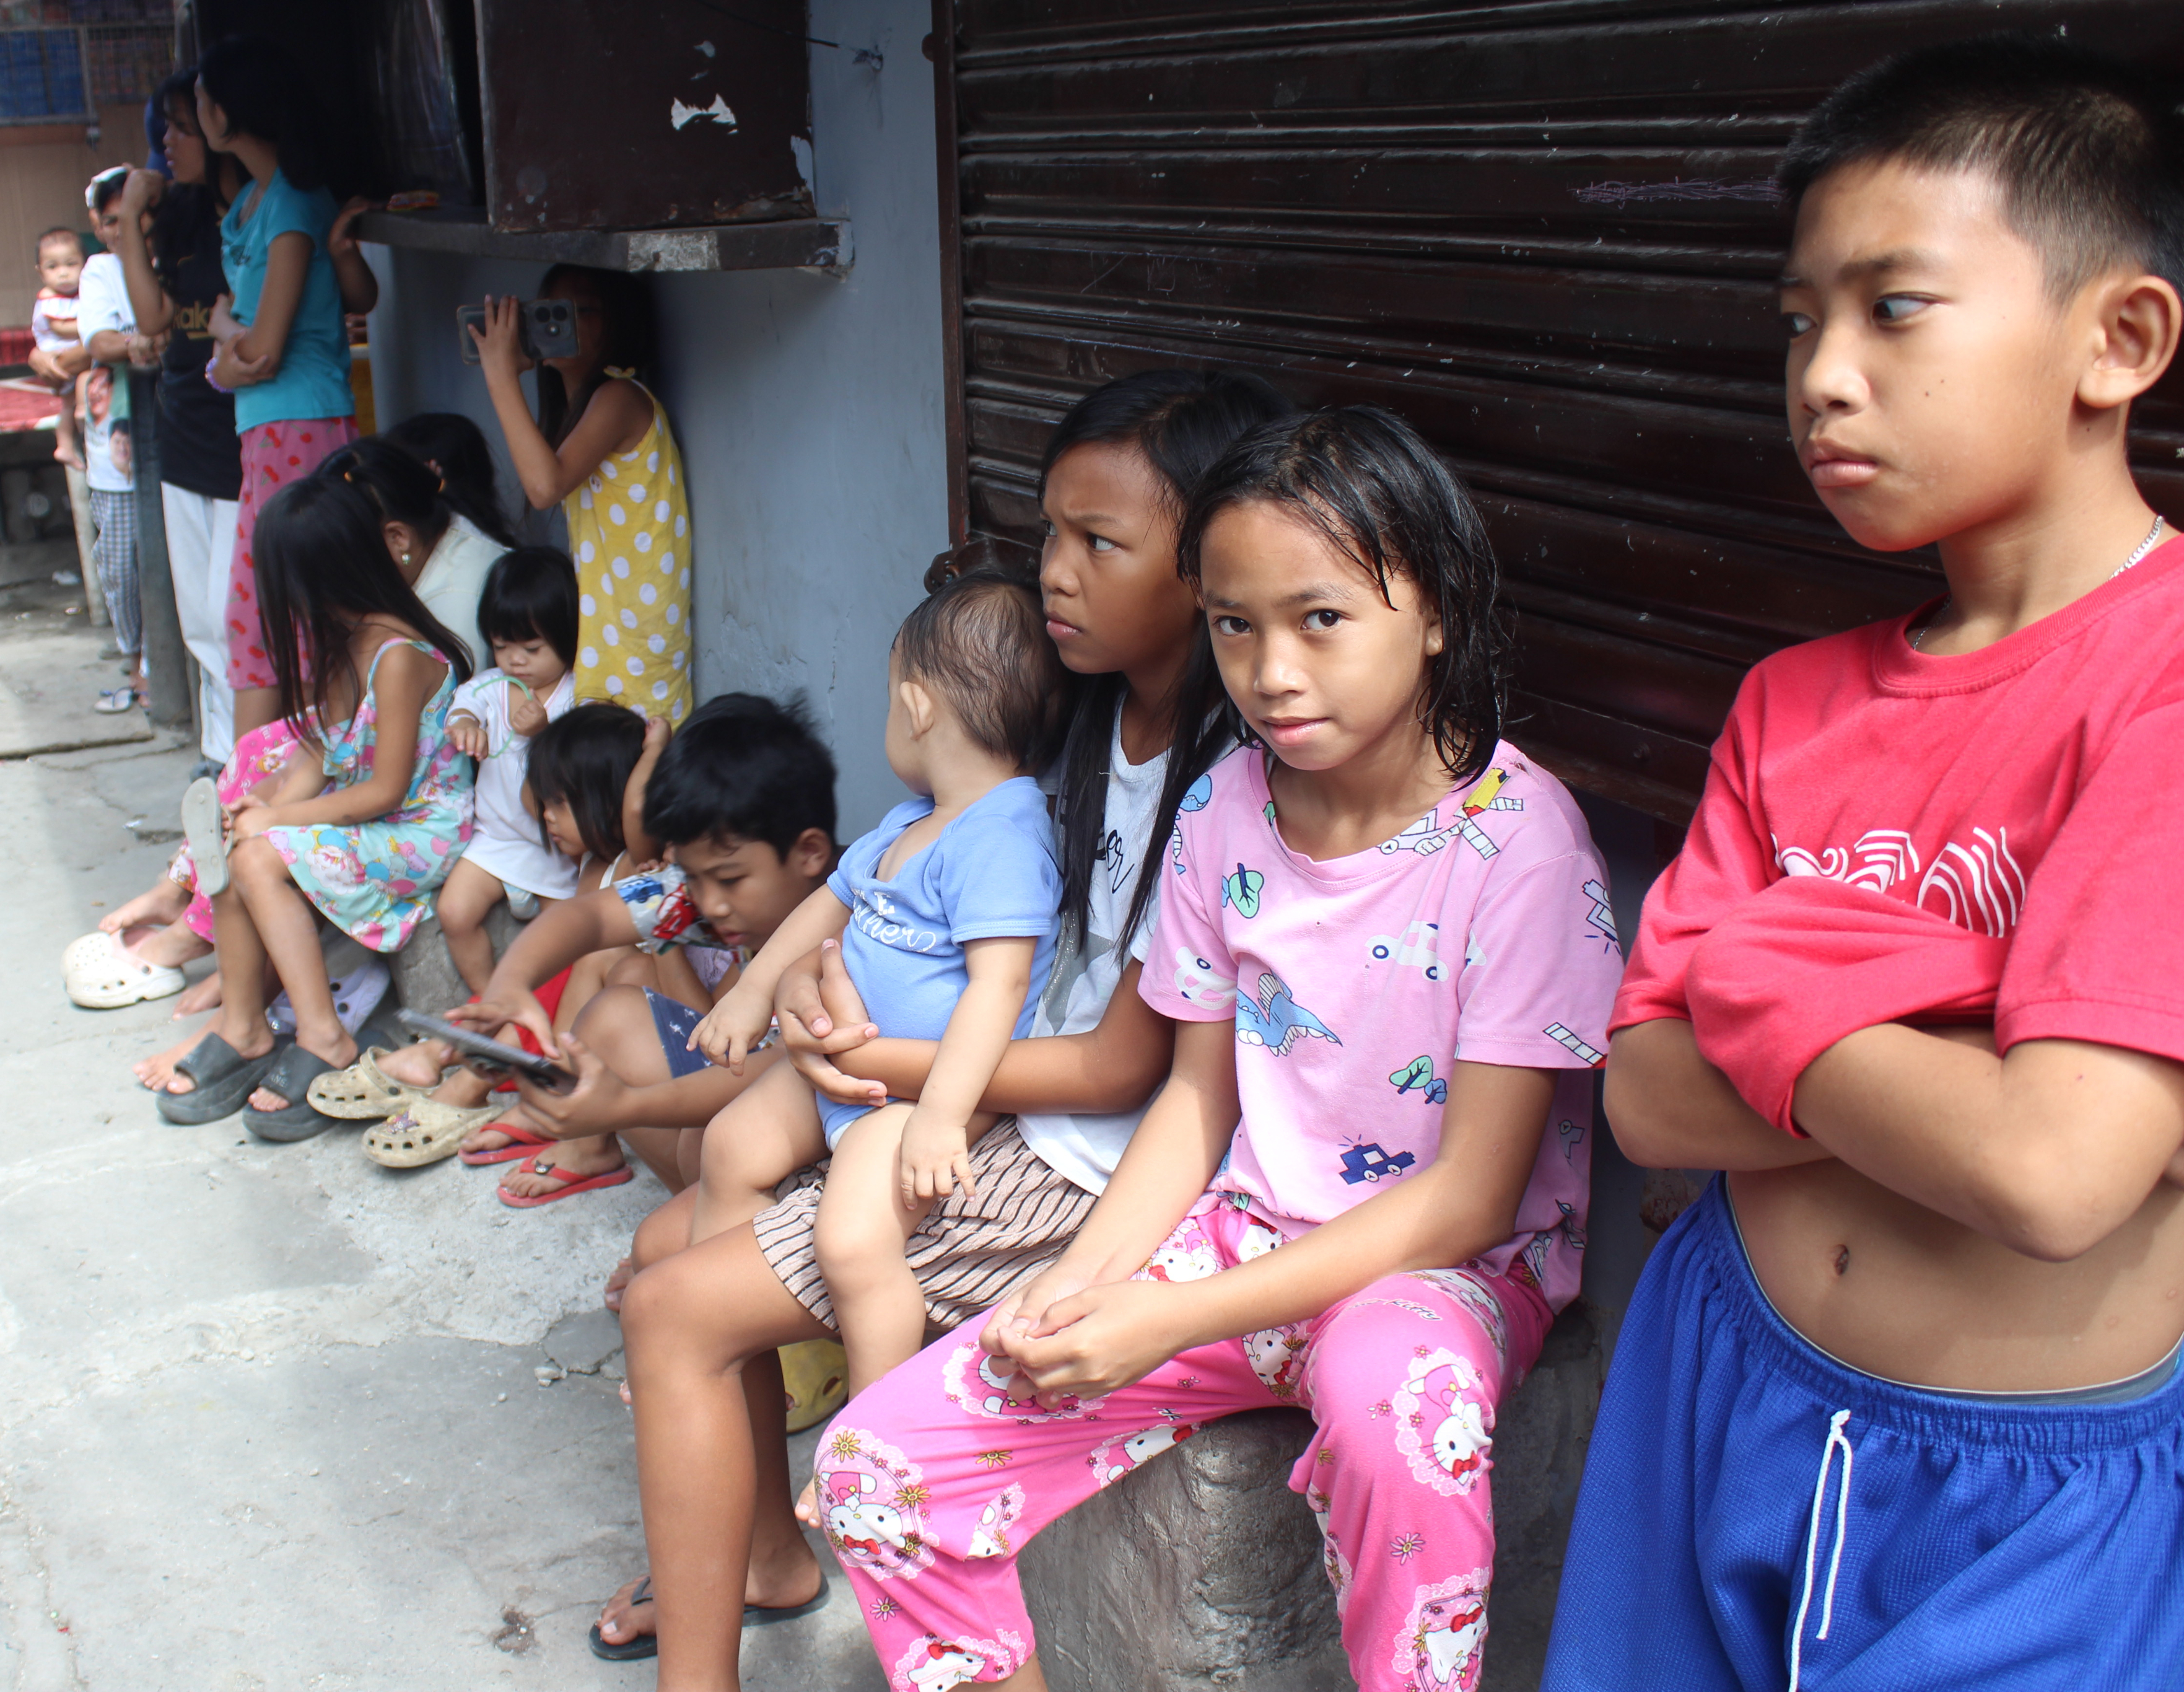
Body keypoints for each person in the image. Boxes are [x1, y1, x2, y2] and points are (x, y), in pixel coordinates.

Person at [1545, 37, 2184, 1690]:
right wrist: (1979, 1005)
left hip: (2024, 1493)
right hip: (1717, 1375)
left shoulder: (2164, 674)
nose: (1824, 376)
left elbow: (2052, 1172)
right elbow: (1646, 1099)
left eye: (1894, 307)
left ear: (2119, 338)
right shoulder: (1793, 700)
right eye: (1798, 322)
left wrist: (1760, 971)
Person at [803, 408, 1619, 1692]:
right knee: (872, 1468)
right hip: (1240, 1234)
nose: (1272, 671)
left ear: (1437, 611)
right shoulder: (1224, 809)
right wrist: (1079, 1289)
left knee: (1395, 1401)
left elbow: (1467, 1199)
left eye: (1320, 618)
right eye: (1234, 624)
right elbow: (1195, 1102)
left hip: (1435, 1273)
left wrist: (1167, 1318)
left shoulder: (1520, 843)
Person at [601, 367, 1294, 1670]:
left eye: (1099, 542)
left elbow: (1119, 1067)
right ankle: (761, 1554)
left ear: (1209, 561)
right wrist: (812, 989)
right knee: (668, 1245)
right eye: (1051, 533)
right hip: (978, 1104)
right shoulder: (1074, 720)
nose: (1055, 573)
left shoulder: (1225, 778)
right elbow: (905, 893)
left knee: (672, 1302)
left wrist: (882, 1058)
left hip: (1071, 1161)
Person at [681, 574, 1066, 1401]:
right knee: (730, 1144)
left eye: (890, 700)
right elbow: (826, 905)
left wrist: (940, 1116)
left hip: (918, 1094)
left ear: (917, 706)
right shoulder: (909, 820)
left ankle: (870, 1428)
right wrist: (750, 994)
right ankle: (735, 1342)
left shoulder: (1002, 833)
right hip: (847, 1070)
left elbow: (999, 988)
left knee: (853, 1243)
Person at [329, 693, 840, 1201]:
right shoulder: (705, 890)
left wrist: (623, 1106)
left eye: (729, 879)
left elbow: (771, 1073)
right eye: (693, 876)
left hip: (799, 1154)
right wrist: (510, 984)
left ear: (810, 853)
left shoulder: (846, 938)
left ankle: (698, 1223)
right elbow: (586, 919)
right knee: (616, 1005)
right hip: (734, 1100)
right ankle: (663, 1195)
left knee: (704, 1139)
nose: (709, 902)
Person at [150, 473, 473, 1140]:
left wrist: (277, 820)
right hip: (375, 823)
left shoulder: (398, 657)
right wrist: (261, 804)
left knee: (260, 855)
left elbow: (386, 791)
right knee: (239, 848)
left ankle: (324, 1036)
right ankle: (244, 1027)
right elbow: (321, 755)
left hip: (422, 830)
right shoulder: (344, 645)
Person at [195, 34, 380, 742]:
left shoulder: (292, 203)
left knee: (284, 603)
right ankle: (261, 770)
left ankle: (268, 770)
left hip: (297, 425)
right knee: (266, 601)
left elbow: (262, 348)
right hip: (271, 426)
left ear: (225, 114)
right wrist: (228, 353)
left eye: (201, 103)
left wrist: (223, 340)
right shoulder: (255, 202)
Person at [469, 265, 694, 722]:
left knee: (632, 749)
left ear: (619, 322)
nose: (561, 322)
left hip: (635, 633)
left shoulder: (621, 396)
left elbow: (543, 487)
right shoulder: (583, 409)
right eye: (549, 311)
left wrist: (501, 377)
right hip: (610, 629)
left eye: (582, 310)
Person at [110, 70, 248, 771]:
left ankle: (249, 751)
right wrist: (131, 224)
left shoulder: (255, 214)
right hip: (184, 428)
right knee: (199, 612)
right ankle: (221, 751)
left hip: (246, 433)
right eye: (164, 127)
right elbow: (153, 317)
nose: (168, 140)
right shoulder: (180, 218)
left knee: (234, 609)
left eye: (182, 126)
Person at [437, 545, 582, 990]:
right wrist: (467, 728)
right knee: (454, 912)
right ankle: (491, 999)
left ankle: (550, 1004)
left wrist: (544, 733)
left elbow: (578, 758)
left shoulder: (577, 695)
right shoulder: (492, 687)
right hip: (495, 838)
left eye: (532, 648)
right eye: (501, 646)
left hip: (555, 849)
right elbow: (463, 709)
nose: (516, 659)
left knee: (566, 937)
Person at [75, 167, 163, 716]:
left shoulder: (172, 259)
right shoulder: (101, 271)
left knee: (170, 561)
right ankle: (137, 661)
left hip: (175, 433)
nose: (125, 228)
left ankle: (161, 665)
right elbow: (99, 340)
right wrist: (144, 341)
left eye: (134, 214)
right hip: (120, 446)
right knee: (123, 562)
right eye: (111, 220)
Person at [322, 436, 517, 670]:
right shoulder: (438, 528)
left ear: (398, 538)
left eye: (345, 554)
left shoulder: (457, 603)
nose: (337, 571)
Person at [28, 226, 87, 468]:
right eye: (53, 267)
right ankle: (81, 416)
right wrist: (93, 326)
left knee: (68, 402)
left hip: (71, 355)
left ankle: (66, 445)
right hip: (59, 355)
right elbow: (61, 328)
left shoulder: (81, 294)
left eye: (71, 264)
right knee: (78, 385)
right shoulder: (50, 298)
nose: (63, 273)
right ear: (40, 272)